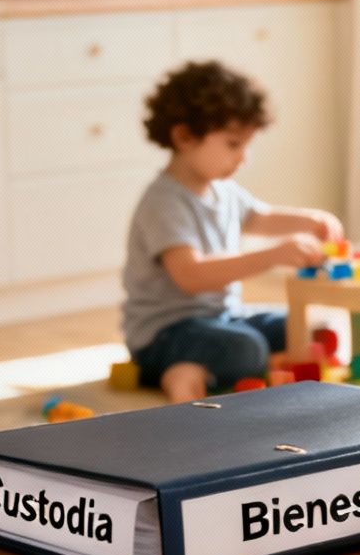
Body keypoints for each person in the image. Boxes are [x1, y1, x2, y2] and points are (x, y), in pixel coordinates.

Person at [122, 60, 342, 401]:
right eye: (233, 144)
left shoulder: (222, 189)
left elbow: (260, 218)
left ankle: (261, 365)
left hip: (222, 317)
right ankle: (181, 372)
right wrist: (272, 256)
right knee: (244, 348)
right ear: (184, 136)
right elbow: (190, 275)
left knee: (305, 323)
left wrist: (311, 221)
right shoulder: (164, 201)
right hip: (165, 333)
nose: (243, 158)